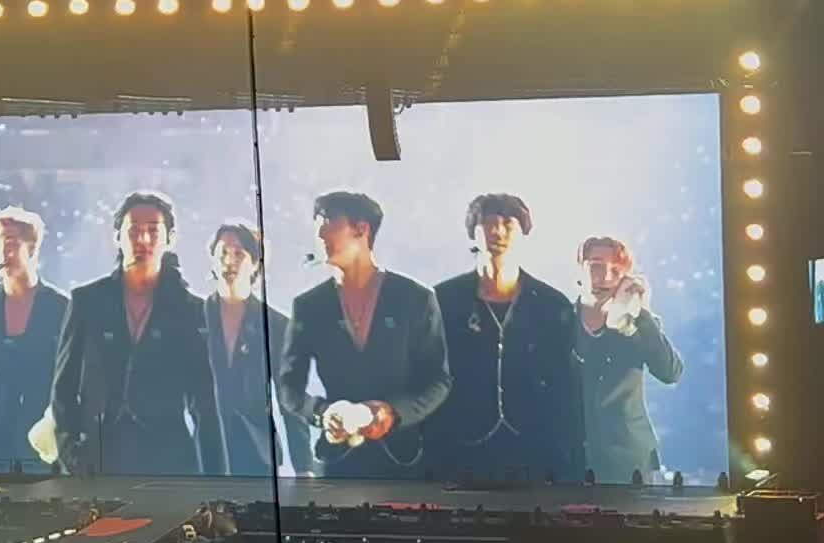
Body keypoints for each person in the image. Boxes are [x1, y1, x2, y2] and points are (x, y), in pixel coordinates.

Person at [51, 191, 226, 477]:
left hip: (168, 463)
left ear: (170, 239)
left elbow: (204, 402)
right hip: (96, 460)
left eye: (153, 231)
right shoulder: (87, 301)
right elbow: (63, 389)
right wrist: (71, 453)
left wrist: (218, 480)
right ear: (117, 237)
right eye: (133, 230)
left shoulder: (190, 309)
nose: (142, 239)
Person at [278, 191, 450, 477]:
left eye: (327, 222)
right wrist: (322, 413)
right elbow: (288, 387)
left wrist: (393, 413)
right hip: (337, 463)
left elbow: (438, 381)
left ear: (362, 229)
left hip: (404, 461)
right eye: (316, 225)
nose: (319, 234)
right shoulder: (308, 306)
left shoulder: (415, 298)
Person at [429, 194, 582, 487]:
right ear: (472, 232)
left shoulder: (552, 305)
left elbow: (566, 390)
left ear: (524, 233)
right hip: (457, 450)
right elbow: (427, 376)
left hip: (535, 452)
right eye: (488, 223)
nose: (497, 231)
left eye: (508, 224)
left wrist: (570, 467)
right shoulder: (442, 300)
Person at [203, 223, 314, 478]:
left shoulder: (276, 324)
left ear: (255, 263)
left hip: (256, 452)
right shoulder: (193, 316)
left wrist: (304, 467)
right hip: (204, 450)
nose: (229, 261)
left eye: (238, 253)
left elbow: (289, 398)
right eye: (223, 253)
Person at [572, 236, 684, 486]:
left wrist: (641, 312)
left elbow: (670, 372)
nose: (605, 277)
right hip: (571, 454)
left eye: (616, 271)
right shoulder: (560, 320)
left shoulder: (639, 324)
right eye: (596, 266)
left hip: (627, 457)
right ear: (580, 268)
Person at [0, 207, 69, 473]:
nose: (3, 251)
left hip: (41, 446)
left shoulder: (62, 307)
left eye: (11, 241)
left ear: (32, 248)